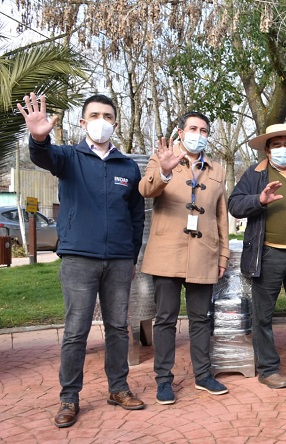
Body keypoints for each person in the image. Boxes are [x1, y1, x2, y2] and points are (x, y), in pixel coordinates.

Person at [18, 93, 146, 427]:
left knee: (119, 327)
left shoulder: (127, 166)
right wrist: (38, 136)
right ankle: (69, 397)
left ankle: (118, 388)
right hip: (78, 259)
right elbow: (42, 156)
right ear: (83, 121)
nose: (101, 120)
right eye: (94, 115)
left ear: (114, 123)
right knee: (76, 330)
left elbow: (136, 217)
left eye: (107, 115)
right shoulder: (68, 157)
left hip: (119, 260)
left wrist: (130, 256)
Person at [139, 111, 230, 404]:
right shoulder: (162, 159)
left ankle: (203, 375)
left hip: (204, 254)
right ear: (180, 132)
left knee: (201, 319)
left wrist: (224, 255)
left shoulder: (218, 170)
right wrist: (164, 171)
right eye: (193, 128)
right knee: (165, 319)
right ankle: (164, 380)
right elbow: (145, 189)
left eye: (204, 130)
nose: (198, 134)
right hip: (167, 254)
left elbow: (221, 216)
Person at [227, 124, 286, 389]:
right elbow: (234, 205)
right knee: (263, 315)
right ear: (267, 150)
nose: (282, 150)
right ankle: (268, 369)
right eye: (276, 145)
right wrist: (259, 200)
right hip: (267, 253)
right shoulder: (255, 175)